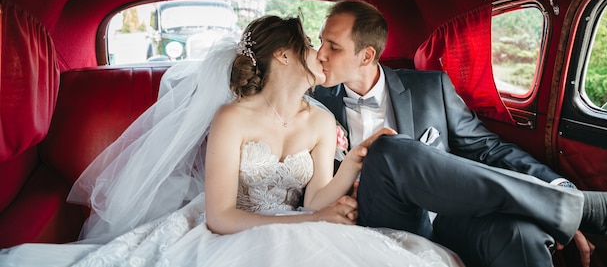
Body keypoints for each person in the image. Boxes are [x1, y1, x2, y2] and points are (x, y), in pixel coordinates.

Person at [0, 15, 465, 267]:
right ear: (284, 56)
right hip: (233, 229)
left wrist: (354, 162)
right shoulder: (232, 119)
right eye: (311, 45)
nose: (322, 54)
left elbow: (317, 194)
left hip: (304, 220)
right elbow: (221, 217)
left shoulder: (323, 121)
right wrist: (314, 220)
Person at [312, 0, 607, 267]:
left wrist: (557, 183)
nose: (320, 53)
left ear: (366, 55)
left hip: (448, 216)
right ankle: (578, 206)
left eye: (333, 46)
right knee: (386, 150)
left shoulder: (430, 88)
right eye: (321, 40)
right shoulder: (312, 104)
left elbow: (489, 148)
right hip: (371, 219)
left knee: (522, 234)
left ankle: (564, 203)